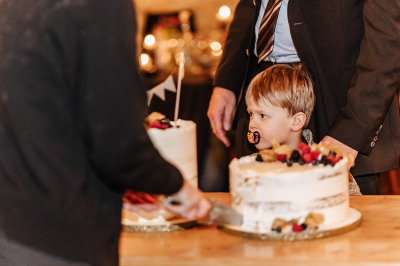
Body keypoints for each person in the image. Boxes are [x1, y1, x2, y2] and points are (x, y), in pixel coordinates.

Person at [0, 1, 210, 266]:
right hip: (56, 235)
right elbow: (117, 139)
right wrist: (175, 186)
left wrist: (106, 185)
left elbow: (50, 113)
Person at [208, 0, 400, 195]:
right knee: (259, 211)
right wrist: (227, 80)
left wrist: (354, 128)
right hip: (259, 84)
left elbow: (386, 38)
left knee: (335, 216)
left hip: (335, 98)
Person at [246, 64, 361, 195]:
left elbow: (351, 204)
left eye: (262, 116)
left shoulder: (326, 167)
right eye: (250, 114)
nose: (252, 124)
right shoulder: (250, 167)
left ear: (296, 121)